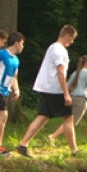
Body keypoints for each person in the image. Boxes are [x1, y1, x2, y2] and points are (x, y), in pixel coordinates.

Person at [16, 25, 79, 157]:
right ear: (67, 35)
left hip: (45, 88)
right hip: (56, 89)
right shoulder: (60, 51)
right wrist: (66, 93)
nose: (72, 42)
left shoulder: (52, 47)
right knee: (68, 118)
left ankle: (23, 144)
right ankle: (74, 151)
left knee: (42, 116)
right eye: (72, 38)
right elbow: (61, 73)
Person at [49, 55, 87, 147]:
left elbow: (67, 86)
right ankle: (53, 136)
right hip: (80, 99)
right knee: (72, 121)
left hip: (76, 98)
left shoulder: (75, 73)